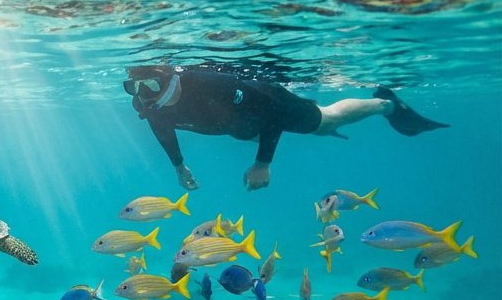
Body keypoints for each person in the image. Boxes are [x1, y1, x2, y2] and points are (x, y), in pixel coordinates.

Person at [124, 65, 448, 191]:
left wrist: (263, 163)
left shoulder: (212, 85)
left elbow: (272, 112)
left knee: (327, 120)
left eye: (150, 85)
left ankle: (386, 104)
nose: (142, 96)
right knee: (295, 130)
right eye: (133, 87)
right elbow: (162, 128)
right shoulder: (148, 104)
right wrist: (179, 167)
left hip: (270, 104)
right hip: (237, 125)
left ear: (169, 76)